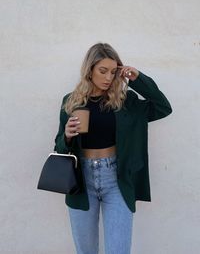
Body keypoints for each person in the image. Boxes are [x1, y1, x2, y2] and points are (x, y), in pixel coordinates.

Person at [54, 42, 172, 254]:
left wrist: (138, 79)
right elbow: (59, 148)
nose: (108, 77)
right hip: (82, 181)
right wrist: (68, 137)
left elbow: (162, 107)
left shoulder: (126, 101)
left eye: (113, 71)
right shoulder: (70, 102)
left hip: (116, 180)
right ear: (89, 70)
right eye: (102, 71)